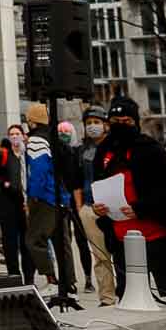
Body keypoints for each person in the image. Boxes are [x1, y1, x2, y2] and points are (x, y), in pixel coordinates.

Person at [91, 95, 166, 298]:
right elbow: (97, 186)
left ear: (135, 123)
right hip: (123, 240)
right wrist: (98, 208)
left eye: (126, 122)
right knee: (129, 298)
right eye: (115, 122)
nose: (121, 126)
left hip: (158, 237)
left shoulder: (150, 149)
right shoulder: (103, 151)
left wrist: (141, 208)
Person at [23, 115, 74, 296]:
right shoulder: (53, 138)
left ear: (32, 121)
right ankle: (70, 285)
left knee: (34, 240)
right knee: (62, 243)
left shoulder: (36, 139)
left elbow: (38, 170)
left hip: (45, 197)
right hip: (61, 197)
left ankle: (52, 280)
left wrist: (33, 196)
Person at [74, 106, 116, 306]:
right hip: (90, 208)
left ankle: (126, 292)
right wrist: (80, 207)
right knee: (100, 255)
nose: (92, 126)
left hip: (114, 208)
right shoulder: (82, 151)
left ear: (106, 124)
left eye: (96, 122)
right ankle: (107, 297)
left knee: (121, 254)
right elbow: (77, 181)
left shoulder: (114, 147)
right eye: (88, 123)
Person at [55, 120, 92, 291]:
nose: (64, 134)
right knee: (64, 240)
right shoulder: (56, 152)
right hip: (61, 199)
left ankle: (88, 277)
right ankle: (68, 278)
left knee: (82, 240)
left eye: (66, 131)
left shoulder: (79, 151)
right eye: (60, 131)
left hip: (77, 199)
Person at [0, 125, 32, 280]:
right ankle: (14, 275)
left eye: (17, 133)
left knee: (27, 242)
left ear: (23, 135)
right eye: (11, 134)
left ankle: (29, 277)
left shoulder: (27, 154)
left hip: (26, 202)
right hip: (8, 203)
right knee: (10, 242)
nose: (15, 136)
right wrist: (4, 184)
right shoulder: (2, 155)